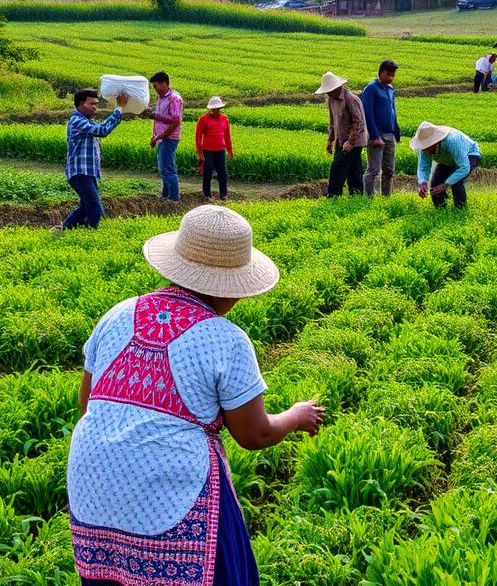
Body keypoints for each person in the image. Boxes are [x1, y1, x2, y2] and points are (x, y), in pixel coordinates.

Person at [67, 204, 326, 586]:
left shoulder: (117, 313)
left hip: (93, 485)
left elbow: (87, 402)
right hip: (170, 497)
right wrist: (296, 416)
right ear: (233, 289)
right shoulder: (226, 338)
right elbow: (254, 433)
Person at [61, 88, 129, 230]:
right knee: (95, 208)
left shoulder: (86, 121)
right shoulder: (77, 121)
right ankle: (89, 231)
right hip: (80, 172)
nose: (95, 107)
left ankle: (66, 229)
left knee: (86, 206)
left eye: (96, 104)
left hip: (87, 172)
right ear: (81, 104)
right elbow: (102, 131)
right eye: (92, 104)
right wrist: (119, 109)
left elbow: (102, 128)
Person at [315, 71, 368, 197]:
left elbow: (357, 121)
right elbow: (332, 121)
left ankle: (332, 195)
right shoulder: (331, 99)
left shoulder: (350, 98)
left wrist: (350, 142)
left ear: (337, 87)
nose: (328, 93)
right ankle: (357, 196)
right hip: (341, 138)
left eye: (330, 90)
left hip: (354, 139)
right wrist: (330, 140)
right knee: (354, 170)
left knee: (337, 167)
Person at [411, 121, 481, 209]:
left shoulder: (453, 141)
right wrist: (422, 182)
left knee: (456, 183)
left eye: (426, 145)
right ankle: (440, 210)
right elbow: (423, 167)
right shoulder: (425, 149)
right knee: (435, 186)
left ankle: (460, 211)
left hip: (468, 155)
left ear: (434, 142)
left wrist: (446, 184)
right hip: (447, 159)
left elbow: (464, 168)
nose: (424, 150)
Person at [361, 59, 401, 197]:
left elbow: (392, 110)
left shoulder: (390, 89)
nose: (391, 78)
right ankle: (368, 197)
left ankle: (386, 197)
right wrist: (375, 136)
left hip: (389, 135)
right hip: (376, 135)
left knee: (389, 170)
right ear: (381, 73)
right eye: (388, 75)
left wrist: (396, 131)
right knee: (374, 169)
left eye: (393, 75)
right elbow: (368, 113)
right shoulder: (371, 88)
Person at [150, 71, 183, 202]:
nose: (155, 89)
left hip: (168, 138)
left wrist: (160, 137)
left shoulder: (173, 99)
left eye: (156, 85)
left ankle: (173, 199)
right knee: (164, 169)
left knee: (167, 170)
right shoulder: (160, 97)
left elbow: (175, 122)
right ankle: (165, 197)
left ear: (164, 83)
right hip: (161, 137)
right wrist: (155, 136)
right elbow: (162, 118)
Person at [196, 96, 233, 202]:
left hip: (220, 150)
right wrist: (200, 153)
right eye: (214, 109)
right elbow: (198, 137)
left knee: (223, 173)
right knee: (208, 172)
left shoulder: (224, 119)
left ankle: (223, 195)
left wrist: (230, 150)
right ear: (210, 109)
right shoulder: (203, 120)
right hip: (208, 151)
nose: (216, 111)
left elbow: (227, 136)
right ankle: (207, 194)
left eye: (218, 109)